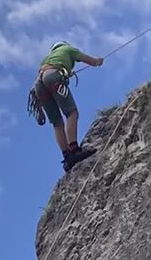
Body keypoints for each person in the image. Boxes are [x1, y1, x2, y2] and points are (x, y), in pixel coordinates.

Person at [30, 43, 104, 172]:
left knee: (57, 123)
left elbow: (52, 70)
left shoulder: (47, 59)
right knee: (72, 112)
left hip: (39, 84)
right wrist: (98, 61)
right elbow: (89, 60)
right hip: (53, 76)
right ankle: (74, 149)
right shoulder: (68, 49)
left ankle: (67, 157)